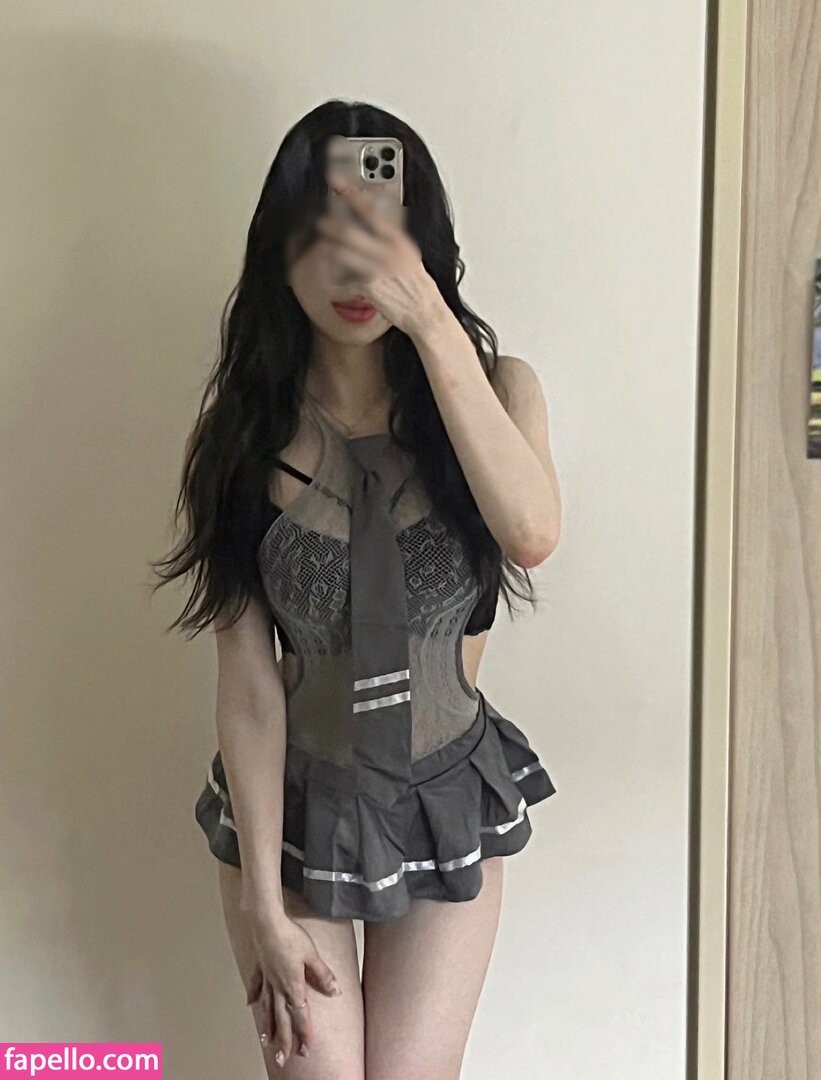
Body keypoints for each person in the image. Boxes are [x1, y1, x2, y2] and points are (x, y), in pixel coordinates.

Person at [151, 98, 562, 1078]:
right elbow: (249, 686)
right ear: (278, 248)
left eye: (377, 231)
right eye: (321, 232)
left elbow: (531, 535)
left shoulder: (499, 390)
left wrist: (428, 321)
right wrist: (259, 901)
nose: (350, 268)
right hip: (294, 812)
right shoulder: (238, 438)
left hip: (443, 794)